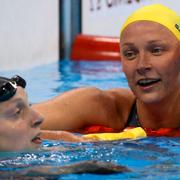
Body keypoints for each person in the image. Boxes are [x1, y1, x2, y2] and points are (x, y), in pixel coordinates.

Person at [33, 4, 180, 134]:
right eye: (130, 54)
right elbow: (16, 121)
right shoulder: (101, 107)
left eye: (156, 51)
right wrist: (64, 139)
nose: (142, 65)